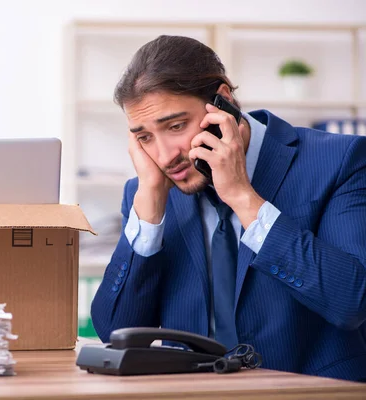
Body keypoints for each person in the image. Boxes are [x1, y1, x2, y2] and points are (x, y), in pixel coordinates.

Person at [90, 35, 366, 382]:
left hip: (311, 390)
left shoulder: (341, 161)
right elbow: (114, 331)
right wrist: (148, 211)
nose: (163, 156)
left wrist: (242, 196)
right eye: (144, 137)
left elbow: (351, 302)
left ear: (223, 101)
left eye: (175, 126)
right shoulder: (148, 191)